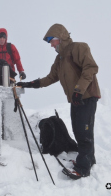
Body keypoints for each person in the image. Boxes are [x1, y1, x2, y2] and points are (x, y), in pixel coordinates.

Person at [17, 24, 101, 179]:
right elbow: (51, 78)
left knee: (84, 132)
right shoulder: (60, 59)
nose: (51, 45)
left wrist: (78, 90)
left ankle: (83, 168)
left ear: (60, 38)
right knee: (78, 130)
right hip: (76, 98)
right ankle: (89, 159)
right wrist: (31, 84)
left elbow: (90, 68)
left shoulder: (78, 48)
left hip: (87, 96)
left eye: (52, 41)